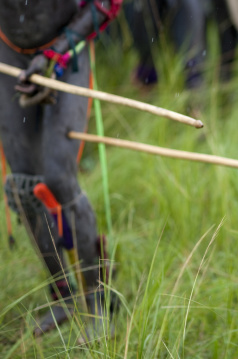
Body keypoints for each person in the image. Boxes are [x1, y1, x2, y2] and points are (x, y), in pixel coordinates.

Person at [0, 0, 121, 337]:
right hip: (8, 50)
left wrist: (55, 52)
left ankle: (97, 307)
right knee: (24, 187)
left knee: (58, 179)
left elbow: (106, 3)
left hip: (67, 48)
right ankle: (62, 298)